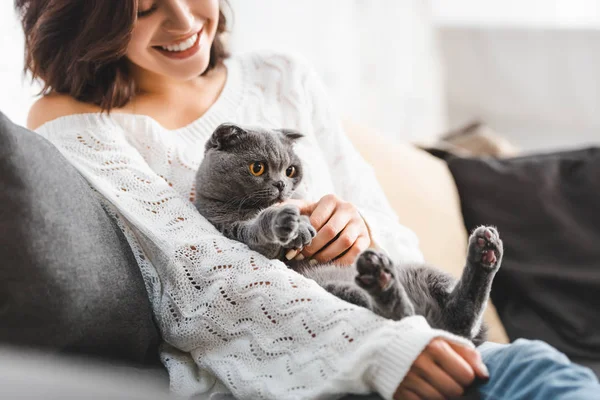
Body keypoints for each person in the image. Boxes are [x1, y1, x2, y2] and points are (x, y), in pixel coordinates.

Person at [14, 1, 599, 399]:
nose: (185, 20)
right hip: (309, 362)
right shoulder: (78, 122)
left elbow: (395, 239)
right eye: (144, 8)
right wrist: (380, 351)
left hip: (411, 322)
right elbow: (194, 278)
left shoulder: (281, 76)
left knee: (542, 372)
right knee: (535, 374)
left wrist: (359, 229)